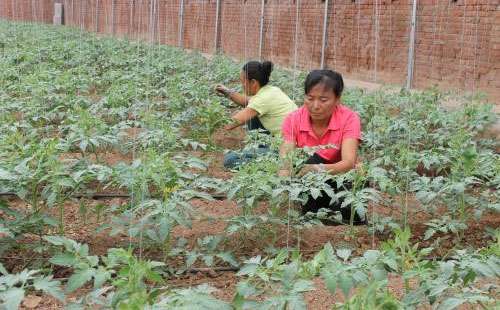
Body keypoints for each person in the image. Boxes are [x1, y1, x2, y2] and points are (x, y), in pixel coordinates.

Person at [279, 69, 366, 225]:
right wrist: (284, 180)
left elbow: (348, 162)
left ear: (337, 99)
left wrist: (315, 169)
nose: (315, 106)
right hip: (311, 181)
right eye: (310, 98)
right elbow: (286, 157)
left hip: (342, 176)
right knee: (312, 217)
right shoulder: (293, 119)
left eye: (324, 100)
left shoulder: (349, 118)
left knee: (350, 215)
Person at [216, 60, 297, 168]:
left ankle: (271, 162)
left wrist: (210, 121)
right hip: (294, 143)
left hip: (287, 151)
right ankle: (261, 149)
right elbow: (247, 102)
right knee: (253, 115)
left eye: (243, 81)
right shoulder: (272, 90)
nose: (242, 85)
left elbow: (231, 123)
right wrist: (227, 92)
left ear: (253, 82)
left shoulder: (262, 99)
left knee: (230, 160)